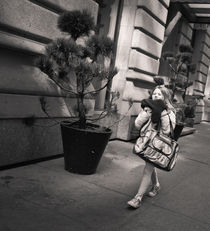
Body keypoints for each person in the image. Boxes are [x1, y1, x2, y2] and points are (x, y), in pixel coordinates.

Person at [127, 81, 176, 209]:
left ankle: (137, 198)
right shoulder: (148, 107)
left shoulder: (169, 112)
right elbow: (137, 125)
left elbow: (167, 132)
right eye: (154, 94)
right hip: (146, 143)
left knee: (147, 170)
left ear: (165, 96)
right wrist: (146, 113)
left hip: (157, 146)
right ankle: (156, 185)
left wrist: (162, 113)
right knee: (150, 165)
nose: (155, 96)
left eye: (159, 94)